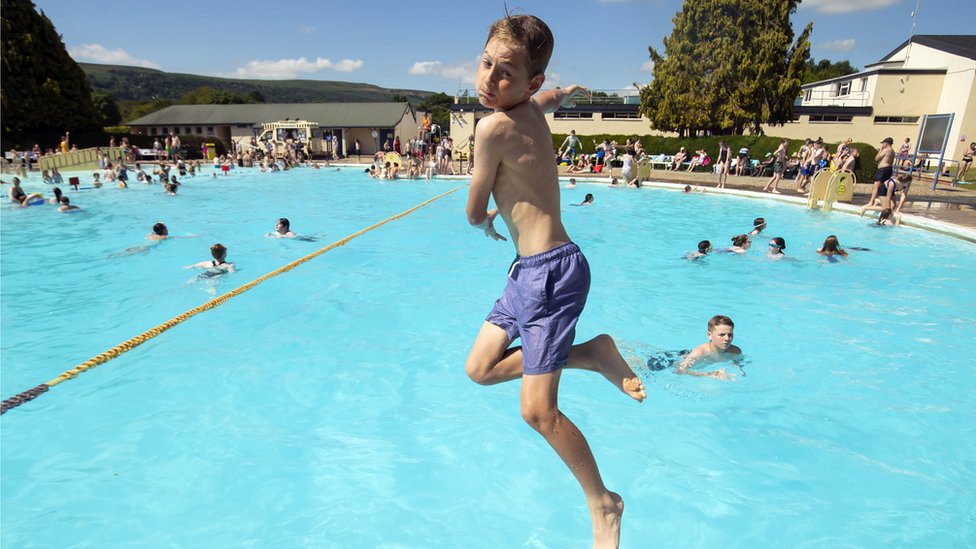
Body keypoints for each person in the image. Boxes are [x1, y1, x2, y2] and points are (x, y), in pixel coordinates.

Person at [463, 15, 644, 548]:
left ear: (530, 83)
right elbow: (550, 103)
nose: (491, 78)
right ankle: (592, 354)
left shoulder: (491, 127)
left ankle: (604, 503)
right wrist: (563, 93)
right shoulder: (532, 108)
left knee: (537, 411)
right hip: (530, 273)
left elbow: (474, 211)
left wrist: (487, 215)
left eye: (506, 72)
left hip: (550, 275)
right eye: (487, 62)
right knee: (479, 369)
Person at [676, 315, 742, 381]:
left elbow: (738, 364)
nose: (727, 338)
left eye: (730, 334)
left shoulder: (736, 351)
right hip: (677, 357)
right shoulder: (699, 353)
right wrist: (710, 374)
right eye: (721, 335)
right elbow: (679, 371)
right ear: (709, 335)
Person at [864, 137, 896, 208]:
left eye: (883, 143)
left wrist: (881, 149)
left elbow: (876, 158)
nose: (882, 144)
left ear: (886, 143)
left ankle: (871, 202)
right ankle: (885, 202)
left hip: (882, 170)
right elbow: (891, 161)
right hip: (889, 169)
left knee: (876, 186)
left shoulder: (886, 150)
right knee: (884, 186)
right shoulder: (892, 151)